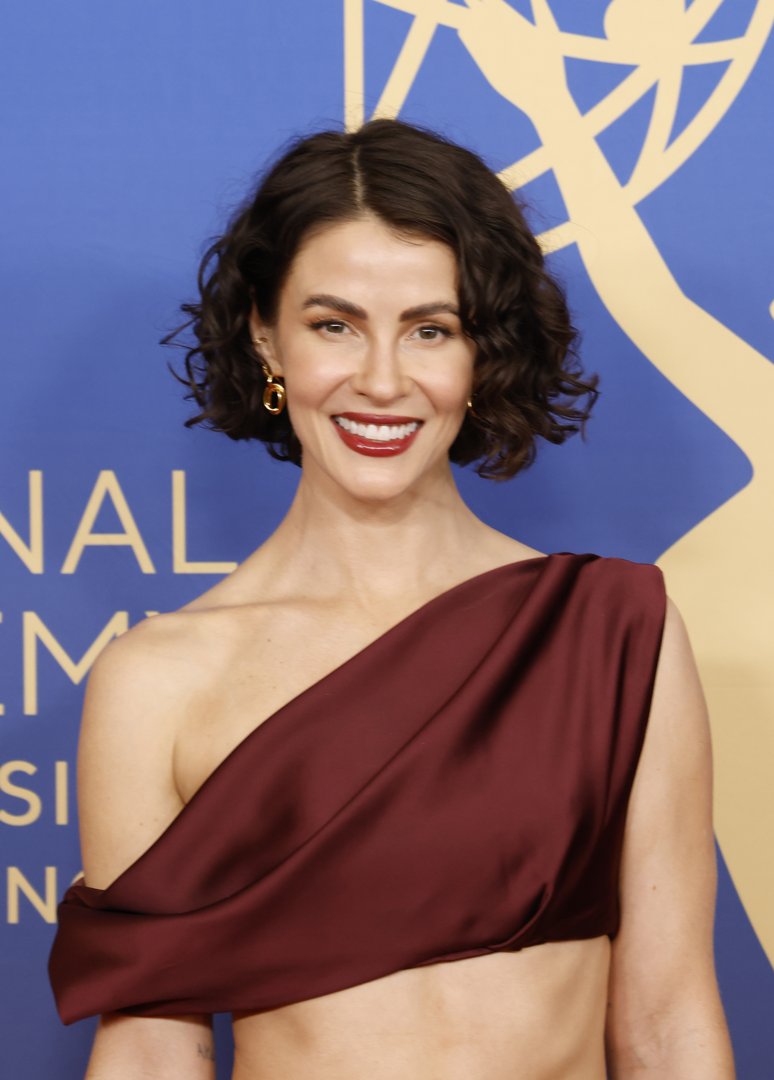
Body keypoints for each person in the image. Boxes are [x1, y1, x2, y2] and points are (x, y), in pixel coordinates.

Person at [48, 119, 734, 1079]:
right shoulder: (157, 678)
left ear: (481, 352)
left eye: (429, 330)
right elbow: (153, 1047)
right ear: (265, 335)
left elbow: (666, 1022)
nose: (380, 381)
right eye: (334, 325)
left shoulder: (610, 635)